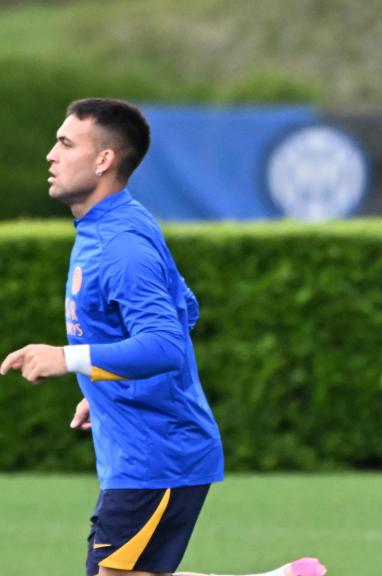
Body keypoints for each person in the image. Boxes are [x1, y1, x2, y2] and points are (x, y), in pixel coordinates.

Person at [0, 99, 325, 576]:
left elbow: (166, 345)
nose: (51, 154)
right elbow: (184, 308)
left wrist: (70, 358)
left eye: (66, 143)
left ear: (104, 159)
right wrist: (110, 379)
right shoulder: (111, 225)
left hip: (156, 457)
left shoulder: (122, 245)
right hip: (151, 453)